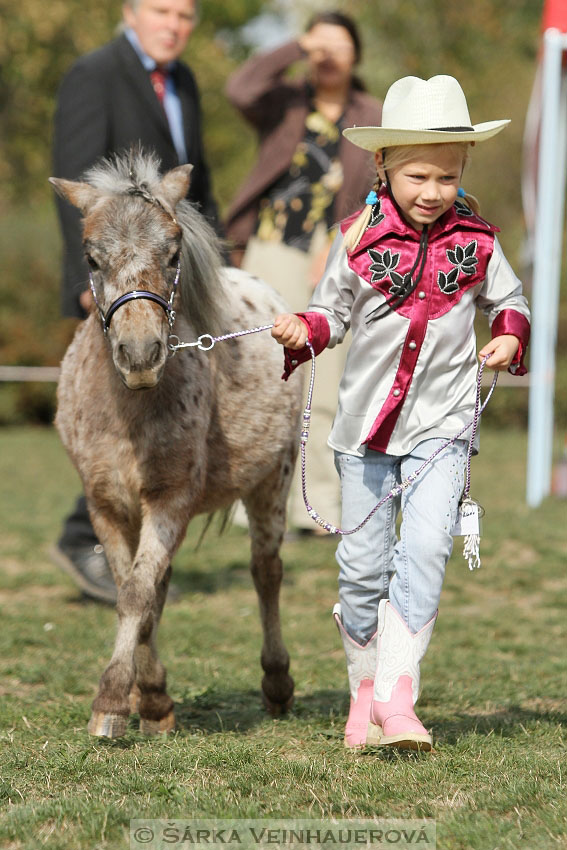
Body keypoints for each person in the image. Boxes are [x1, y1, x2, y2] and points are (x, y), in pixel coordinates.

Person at [271, 75, 530, 750]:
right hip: (363, 432)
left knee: (421, 554)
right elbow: (328, 313)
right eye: (417, 175)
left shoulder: (476, 242)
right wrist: (304, 329)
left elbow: (510, 299)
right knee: (360, 571)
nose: (431, 191)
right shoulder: (355, 240)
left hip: (442, 428)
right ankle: (364, 692)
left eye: (446, 177)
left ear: (461, 173)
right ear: (382, 166)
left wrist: (506, 332)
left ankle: (397, 698)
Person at [51, 0, 219, 602]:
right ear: (131, 11)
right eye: (161, 10)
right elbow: (72, 180)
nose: (174, 24)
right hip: (115, 280)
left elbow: (196, 189)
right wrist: (84, 281)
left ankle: (127, 538)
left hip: (168, 273)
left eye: (185, 14)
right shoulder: (95, 73)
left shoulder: (185, 80)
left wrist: (214, 264)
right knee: (111, 417)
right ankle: (84, 539)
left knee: (158, 412)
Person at [224, 11, 382, 534]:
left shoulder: (372, 114)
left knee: (328, 379)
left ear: (356, 52)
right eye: (322, 42)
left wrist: (341, 242)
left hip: (338, 251)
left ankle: (317, 509)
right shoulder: (285, 101)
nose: (330, 52)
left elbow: (380, 189)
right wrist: (296, 45)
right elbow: (240, 87)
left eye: (341, 42)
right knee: (267, 372)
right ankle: (254, 502)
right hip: (272, 246)